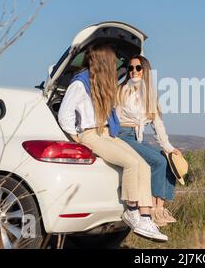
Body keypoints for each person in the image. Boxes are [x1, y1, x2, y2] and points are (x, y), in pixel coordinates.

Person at [58, 44, 168, 242]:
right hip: (90, 134)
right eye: (113, 60)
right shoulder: (80, 83)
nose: (117, 65)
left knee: (142, 164)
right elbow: (64, 115)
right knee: (132, 164)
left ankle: (145, 217)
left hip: (107, 132)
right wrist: (77, 138)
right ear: (104, 62)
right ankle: (132, 211)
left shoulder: (101, 84)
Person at [116, 55, 179, 227]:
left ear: (145, 70)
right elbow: (113, 117)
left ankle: (160, 207)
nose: (133, 71)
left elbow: (157, 123)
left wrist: (168, 147)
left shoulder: (149, 94)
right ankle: (151, 209)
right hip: (123, 134)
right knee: (157, 161)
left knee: (167, 158)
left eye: (138, 68)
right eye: (130, 68)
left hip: (137, 136)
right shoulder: (121, 90)